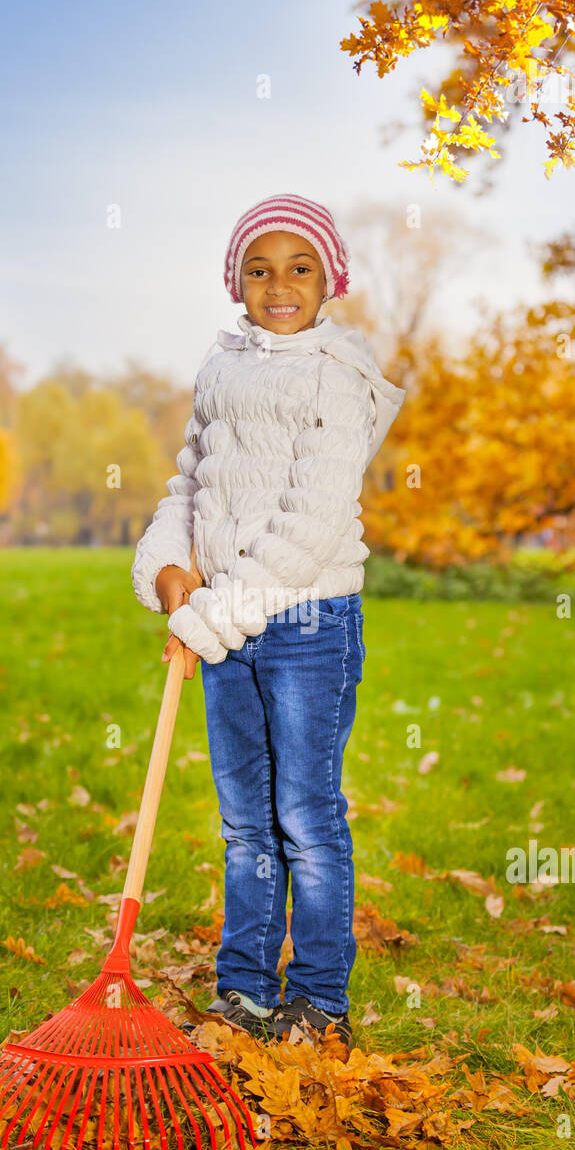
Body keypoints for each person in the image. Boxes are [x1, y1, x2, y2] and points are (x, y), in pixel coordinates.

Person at [131, 193, 405, 1047]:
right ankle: (243, 992)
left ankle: (320, 1004)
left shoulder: (336, 376)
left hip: (307, 623)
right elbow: (192, 482)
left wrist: (216, 614)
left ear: (330, 280)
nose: (278, 284)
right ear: (234, 281)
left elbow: (310, 522)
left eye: (299, 268)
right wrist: (171, 565)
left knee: (305, 817)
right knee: (245, 819)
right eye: (259, 268)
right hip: (223, 621)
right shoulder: (222, 370)